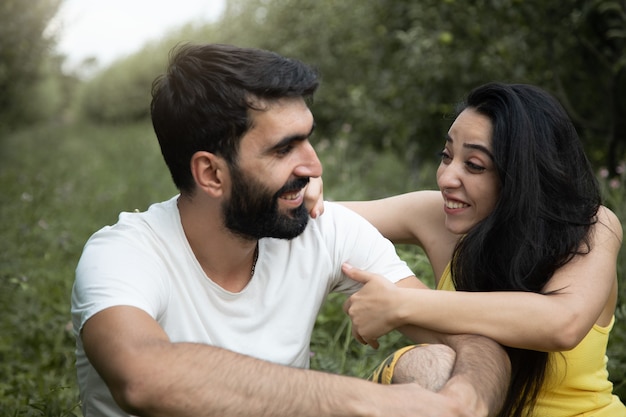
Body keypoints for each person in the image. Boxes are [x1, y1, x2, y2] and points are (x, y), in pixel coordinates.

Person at [70, 43, 511, 417]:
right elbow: (143, 375)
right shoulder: (124, 253)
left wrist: (466, 399)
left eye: (307, 138)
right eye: (284, 149)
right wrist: (369, 402)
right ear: (211, 173)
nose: (314, 167)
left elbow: (469, 336)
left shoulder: (322, 229)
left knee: (437, 364)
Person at [321, 82, 625, 417]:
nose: (447, 178)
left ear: (523, 176)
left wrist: (402, 303)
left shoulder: (591, 227)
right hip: (463, 409)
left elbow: (562, 323)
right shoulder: (435, 216)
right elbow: (322, 219)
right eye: (447, 157)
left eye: (475, 165)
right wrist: (301, 187)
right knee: (430, 365)